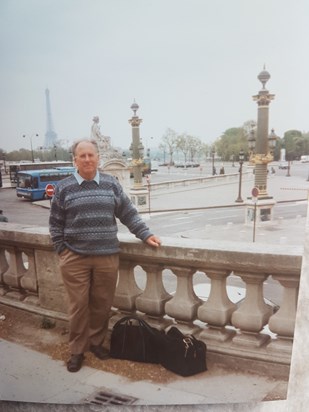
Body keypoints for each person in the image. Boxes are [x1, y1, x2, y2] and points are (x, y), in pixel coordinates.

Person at [49, 139, 161, 372]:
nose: (87, 159)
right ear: (75, 160)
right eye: (83, 156)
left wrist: (145, 234)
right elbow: (55, 224)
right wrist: (62, 250)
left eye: (91, 155)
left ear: (98, 158)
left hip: (106, 256)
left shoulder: (111, 184)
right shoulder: (64, 187)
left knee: (102, 304)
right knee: (78, 307)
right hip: (75, 258)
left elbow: (128, 213)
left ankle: (96, 343)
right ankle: (77, 350)